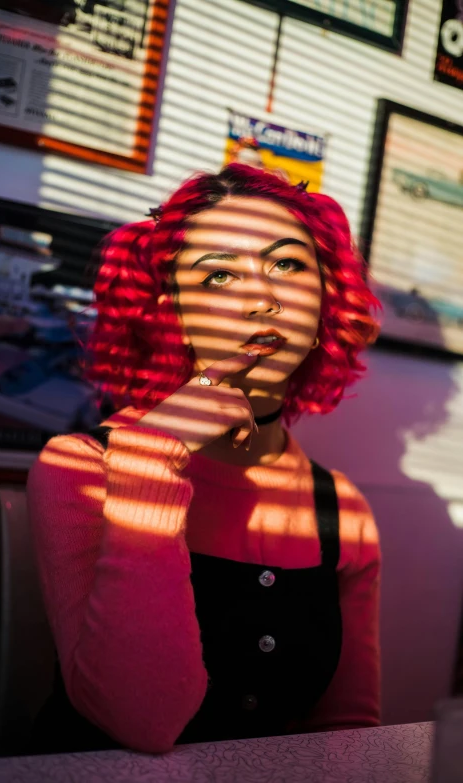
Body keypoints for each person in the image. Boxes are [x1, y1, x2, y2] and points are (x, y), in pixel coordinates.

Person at [27, 163, 382, 755]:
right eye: (218, 276)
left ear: (324, 301)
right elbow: (138, 720)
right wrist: (151, 462)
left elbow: (348, 737)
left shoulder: (342, 508)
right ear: (172, 311)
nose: (262, 299)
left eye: (288, 265)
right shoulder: (79, 468)